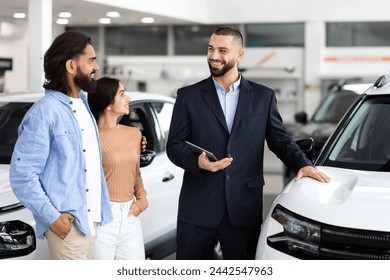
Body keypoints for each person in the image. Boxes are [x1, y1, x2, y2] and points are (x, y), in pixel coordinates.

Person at [166, 26, 330, 260]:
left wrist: (301, 164)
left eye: (223, 50)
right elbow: (174, 145)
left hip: (243, 206)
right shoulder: (188, 96)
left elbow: (279, 139)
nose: (213, 56)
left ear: (239, 55)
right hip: (198, 208)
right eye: (211, 49)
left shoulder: (263, 96)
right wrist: (198, 162)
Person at [9, 31, 113, 260]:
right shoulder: (45, 112)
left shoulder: (84, 105)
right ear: (71, 66)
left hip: (91, 221)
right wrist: (53, 218)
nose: (96, 66)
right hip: (69, 227)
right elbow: (23, 175)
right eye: (91, 60)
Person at [88, 77, 148, 260]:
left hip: (130, 216)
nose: (128, 98)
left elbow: (135, 172)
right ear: (107, 103)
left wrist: (142, 199)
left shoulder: (134, 134)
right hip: (101, 220)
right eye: (122, 94)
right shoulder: (89, 138)